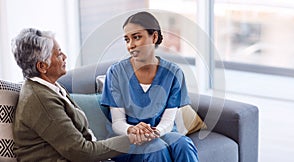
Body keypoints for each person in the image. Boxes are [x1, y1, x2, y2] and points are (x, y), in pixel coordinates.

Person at [11, 28, 138, 162]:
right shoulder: (41, 101)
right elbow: (82, 153)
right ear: (42, 66)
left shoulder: (49, 88)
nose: (65, 56)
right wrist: (130, 140)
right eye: (59, 54)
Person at [101, 11, 199, 162]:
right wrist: (132, 129)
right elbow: (117, 122)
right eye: (127, 39)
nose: (130, 45)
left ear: (154, 37)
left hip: (162, 133)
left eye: (137, 37)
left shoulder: (173, 73)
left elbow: (168, 120)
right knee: (155, 148)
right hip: (126, 138)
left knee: (184, 144)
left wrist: (154, 132)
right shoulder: (116, 73)